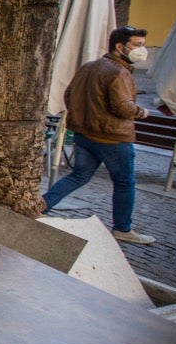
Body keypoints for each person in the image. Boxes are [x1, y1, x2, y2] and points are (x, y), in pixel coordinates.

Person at [42, 26, 156, 244]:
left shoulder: (89, 67)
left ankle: (42, 204)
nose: (142, 50)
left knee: (78, 176)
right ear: (120, 47)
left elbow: (69, 95)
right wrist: (142, 112)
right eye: (137, 45)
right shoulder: (119, 72)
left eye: (143, 45)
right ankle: (122, 228)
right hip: (112, 138)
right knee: (124, 182)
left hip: (85, 134)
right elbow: (123, 107)